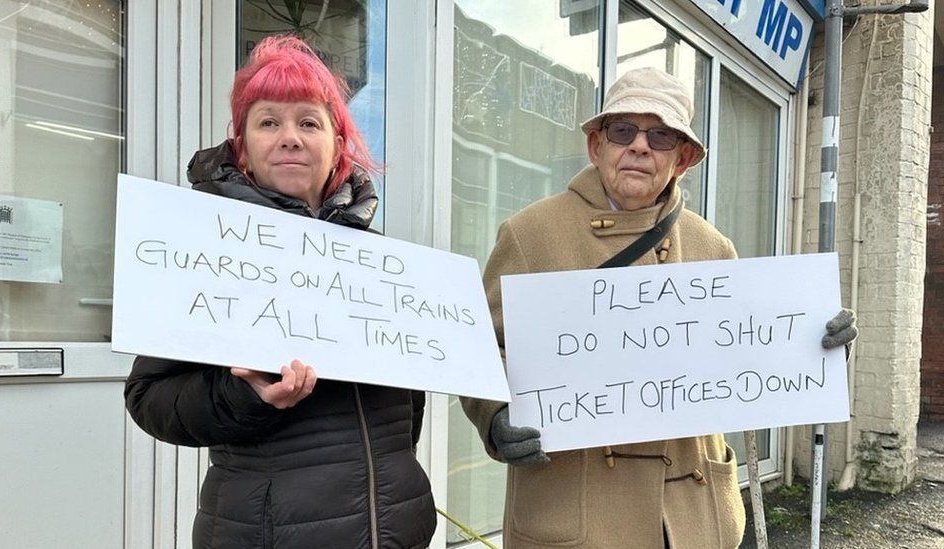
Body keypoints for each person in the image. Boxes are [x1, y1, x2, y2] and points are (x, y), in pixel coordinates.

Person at [461, 67, 858, 549]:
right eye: (622, 130)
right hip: (576, 510)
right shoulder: (530, 234)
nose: (639, 146)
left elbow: (745, 354)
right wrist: (496, 414)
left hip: (687, 516)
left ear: (683, 159)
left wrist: (816, 346)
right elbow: (479, 349)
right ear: (596, 146)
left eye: (661, 135)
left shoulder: (711, 246)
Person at [124, 35, 436, 549]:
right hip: (265, 533)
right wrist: (247, 395)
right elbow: (148, 398)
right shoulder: (204, 248)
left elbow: (407, 407)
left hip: (395, 529)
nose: (290, 137)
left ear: (338, 142)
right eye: (269, 122)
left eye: (309, 122)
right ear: (242, 145)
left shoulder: (381, 265)